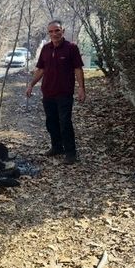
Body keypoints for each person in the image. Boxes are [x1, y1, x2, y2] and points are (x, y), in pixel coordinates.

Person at [25, 20, 86, 164]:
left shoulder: (71, 48)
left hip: (64, 93)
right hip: (48, 93)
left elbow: (78, 69)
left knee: (65, 122)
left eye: (57, 30)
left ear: (62, 31)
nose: (54, 34)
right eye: (51, 31)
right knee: (51, 122)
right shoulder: (46, 49)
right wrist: (31, 85)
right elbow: (41, 69)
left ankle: (71, 153)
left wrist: (81, 88)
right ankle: (57, 147)